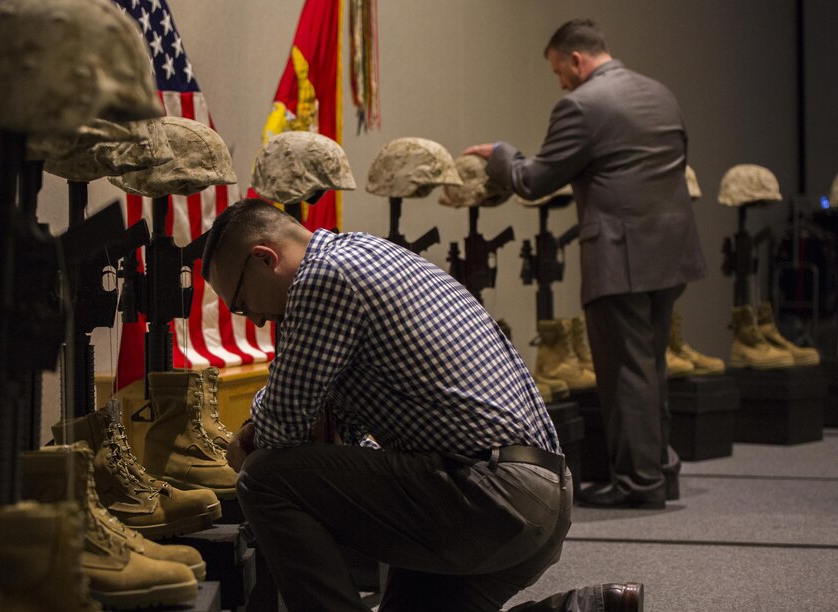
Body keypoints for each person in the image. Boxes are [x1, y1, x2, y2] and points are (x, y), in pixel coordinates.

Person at [201, 198, 643, 611]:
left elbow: (280, 427)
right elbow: (349, 437)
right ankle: (589, 606)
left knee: (265, 477)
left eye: (240, 303)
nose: (254, 319)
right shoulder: (367, 253)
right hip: (535, 495)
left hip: (492, 498)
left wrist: (246, 436)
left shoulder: (323, 278)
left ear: (264, 258)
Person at [465, 19, 706, 510]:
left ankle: (638, 484)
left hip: (621, 258)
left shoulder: (583, 105)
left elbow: (534, 180)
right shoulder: (659, 93)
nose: (561, 83)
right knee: (651, 367)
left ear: (576, 59)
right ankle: (660, 470)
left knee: (625, 374)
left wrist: (502, 155)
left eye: (560, 71)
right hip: (672, 251)